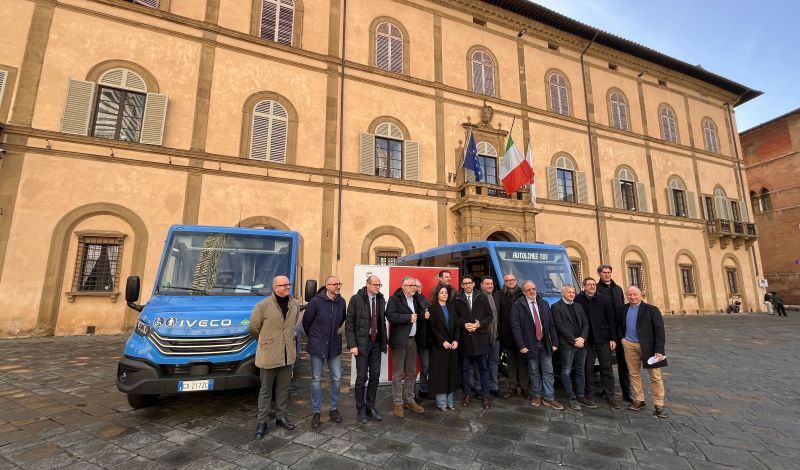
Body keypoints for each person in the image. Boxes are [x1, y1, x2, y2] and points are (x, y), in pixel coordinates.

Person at [249, 275, 298, 439]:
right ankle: (262, 422)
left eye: (288, 285)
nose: (287, 287)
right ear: (274, 287)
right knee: (265, 390)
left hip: (287, 354)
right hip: (268, 354)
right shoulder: (262, 306)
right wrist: (266, 342)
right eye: (283, 285)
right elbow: (254, 328)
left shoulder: (295, 305)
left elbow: (292, 326)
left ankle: (281, 417)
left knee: (283, 388)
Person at [511, 281, 563, 410]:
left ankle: (549, 398)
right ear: (523, 292)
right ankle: (537, 395)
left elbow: (551, 324)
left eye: (533, 288)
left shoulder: (544, 304)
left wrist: (555, 342)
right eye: (528, 290)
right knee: (534, 372)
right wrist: (521, 344)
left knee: (548, 371)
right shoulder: (518, 305)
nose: (532, 291)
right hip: (530, 344)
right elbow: (515, 327)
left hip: (545, 343)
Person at [303, 276, 346, 428]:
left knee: (337, 378)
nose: (338, 286)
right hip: (318, 345)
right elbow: (306, 322)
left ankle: (334, 409)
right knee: (316, 379)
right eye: (335, 284)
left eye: (339, 283)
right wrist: (315, 337)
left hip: (334, 346)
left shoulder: (342, 302)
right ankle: (316, 411)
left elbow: (341, 320)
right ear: (327, 286)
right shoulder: (315, 302)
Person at [619, 285, 668, 418]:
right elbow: (620, 325)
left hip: (649, 347)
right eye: (629, 295)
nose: (632, 297)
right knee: (633, 374)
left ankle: (659, 404)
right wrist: (623, 339)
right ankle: (639, 400)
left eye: (635, 294)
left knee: (655, 377)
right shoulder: (624, 309)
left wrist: (659, 349)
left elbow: (659, 331)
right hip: (629, 345)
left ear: (641, 295)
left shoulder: (652, 310)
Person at [346, 275, 387, 424]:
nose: (378, 287)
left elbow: (382, 320)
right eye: (376, 284)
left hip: (376, 342)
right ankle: (360, 409)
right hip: (362, 343)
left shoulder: (381, 299)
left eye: (379, 285)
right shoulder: (356, 299)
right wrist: (352, 345)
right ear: (368, 284)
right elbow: (349, 322)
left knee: (375, 376)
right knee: (361, 377)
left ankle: (371, 406)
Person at [575, 277, 619, 409]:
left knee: (606, 367)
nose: (592, 286)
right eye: (589, 284)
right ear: (584, 286)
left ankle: (609, 394)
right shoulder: (578, 299)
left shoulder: (603, 299)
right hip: (587, 340)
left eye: (594, 284)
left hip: (603, 339)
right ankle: (590, 393)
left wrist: (613, 338)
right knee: (587, 368)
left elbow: (611, 319)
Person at [386, 276, 426, 418]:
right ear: (403, 286)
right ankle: (398, 402)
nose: (413, 288)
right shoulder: (395, 299)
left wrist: (424, 313)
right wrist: (407, 318)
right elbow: (390, 315)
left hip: (413, 341)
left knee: (411, 372)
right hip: (400, 341)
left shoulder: (415, 298)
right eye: (411, 285)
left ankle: (409, 400)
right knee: (397, 374)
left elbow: (424, 306)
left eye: (415, 285)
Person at [552, 285, 596, 411]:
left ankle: (581, 396)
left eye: (573, 292)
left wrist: (582, 338)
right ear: (562, 293)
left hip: (581, 344)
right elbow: (559, 326)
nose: (572, 294)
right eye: (569, 292)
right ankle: (571, 397)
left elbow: (586, 323)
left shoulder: (578, 306)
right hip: (567, 345)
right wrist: (573, 340)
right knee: (566, 371)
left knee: (580, 370)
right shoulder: (556, 307)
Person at [454, 275, 493, 409]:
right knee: (465, 369)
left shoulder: (482, 297)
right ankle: (467, 395)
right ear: (462, 285)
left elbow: (489, 316)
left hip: (480, 338)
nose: (468, 285)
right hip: (465, 339)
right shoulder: (457, 299)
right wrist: (464, 324)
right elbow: (455, 318)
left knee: (483, 368)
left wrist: (479, 324)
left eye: (470, 283)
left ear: (474, 284)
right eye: (465, 284)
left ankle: (485, 396)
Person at [595, 264, 633, 402]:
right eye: (604, 272)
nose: (607, 275)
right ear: (599, 274)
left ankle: (627, 392)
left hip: (620, 332)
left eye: (609, 272)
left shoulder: (618, 289)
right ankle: (607, 392)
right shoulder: (596, 289)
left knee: (624, 363)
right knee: (606, 364)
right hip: (605, 332)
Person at [428, 284, 461, 411]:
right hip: (439, 347)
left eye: (446, 293)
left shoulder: (452, 307)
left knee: (451, 373)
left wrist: (456, 341)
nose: (444, 294)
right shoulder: (432, 309)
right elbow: (432, 328)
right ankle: (441, 403)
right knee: (440, 374)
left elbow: (457, 326)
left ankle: (450, 402)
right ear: (437, 295)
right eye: (442, 292)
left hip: (452, 347)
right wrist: (442, 341)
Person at [498, 274, 527, 398]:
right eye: (507, 281)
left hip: (522, 335)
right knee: (511, 364)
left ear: (516, 281)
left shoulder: (523, 293)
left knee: (523, 363)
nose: (510, 282)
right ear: (504, 282)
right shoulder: (499, 295)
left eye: (512, 280)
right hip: (507, 335)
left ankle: (524, 387)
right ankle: (512, 387)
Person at [479, 276, 502, 398]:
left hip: (495, 336)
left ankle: (493, 386)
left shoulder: (496, 297)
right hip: (482, 336)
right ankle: (480, 387)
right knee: (481, 363)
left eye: (491, 284)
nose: (490, 286)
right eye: (487, 284)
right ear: (481, 285)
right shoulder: (477, 297)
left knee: (494, 362)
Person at [413, 279, 433, 401]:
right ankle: (412, 394)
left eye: (419, 286)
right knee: (410, 369)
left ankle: (423, 389)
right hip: (411, 338)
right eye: (415, 286)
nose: (417, 288)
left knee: (426, 366)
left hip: (424, 339)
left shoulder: (424, 299)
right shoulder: (409, 300)